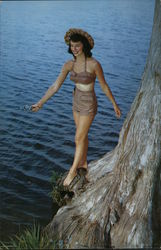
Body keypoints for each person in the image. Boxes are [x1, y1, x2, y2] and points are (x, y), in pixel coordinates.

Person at [31, 28, 121, 187]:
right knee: (82, 135)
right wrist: (40, 103)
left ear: (84, 46)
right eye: (72, 46)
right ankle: (83, 163)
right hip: (76, 101)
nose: (74, 49)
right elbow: (55, 86)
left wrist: (114, 104)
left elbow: (104, 86)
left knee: (78, 137)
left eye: (77, 46)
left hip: (89, 103)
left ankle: (72, 171)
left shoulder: (94, 64)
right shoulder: (68, 65)